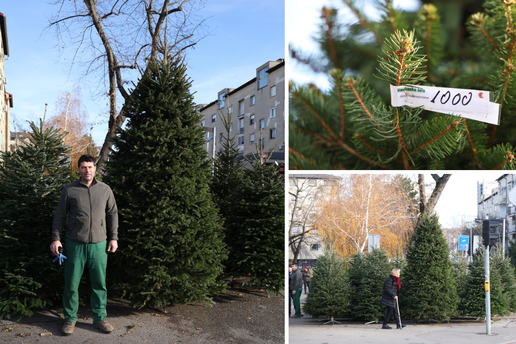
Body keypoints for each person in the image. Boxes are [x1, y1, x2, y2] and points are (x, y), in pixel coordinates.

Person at [51, 154, 119, 336]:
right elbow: (59, 216)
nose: (87, 170)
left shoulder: (105, 190)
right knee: (71, 284)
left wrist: (114, 238)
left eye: (90, 167)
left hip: (99, 245)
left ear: (95, 168)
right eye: (83, 167)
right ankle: (70, 319)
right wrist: (56, 238)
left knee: (99, 284)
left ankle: (100, 318)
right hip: (75, 244)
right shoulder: (69, 190)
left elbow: (112, 214)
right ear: (78, 169)